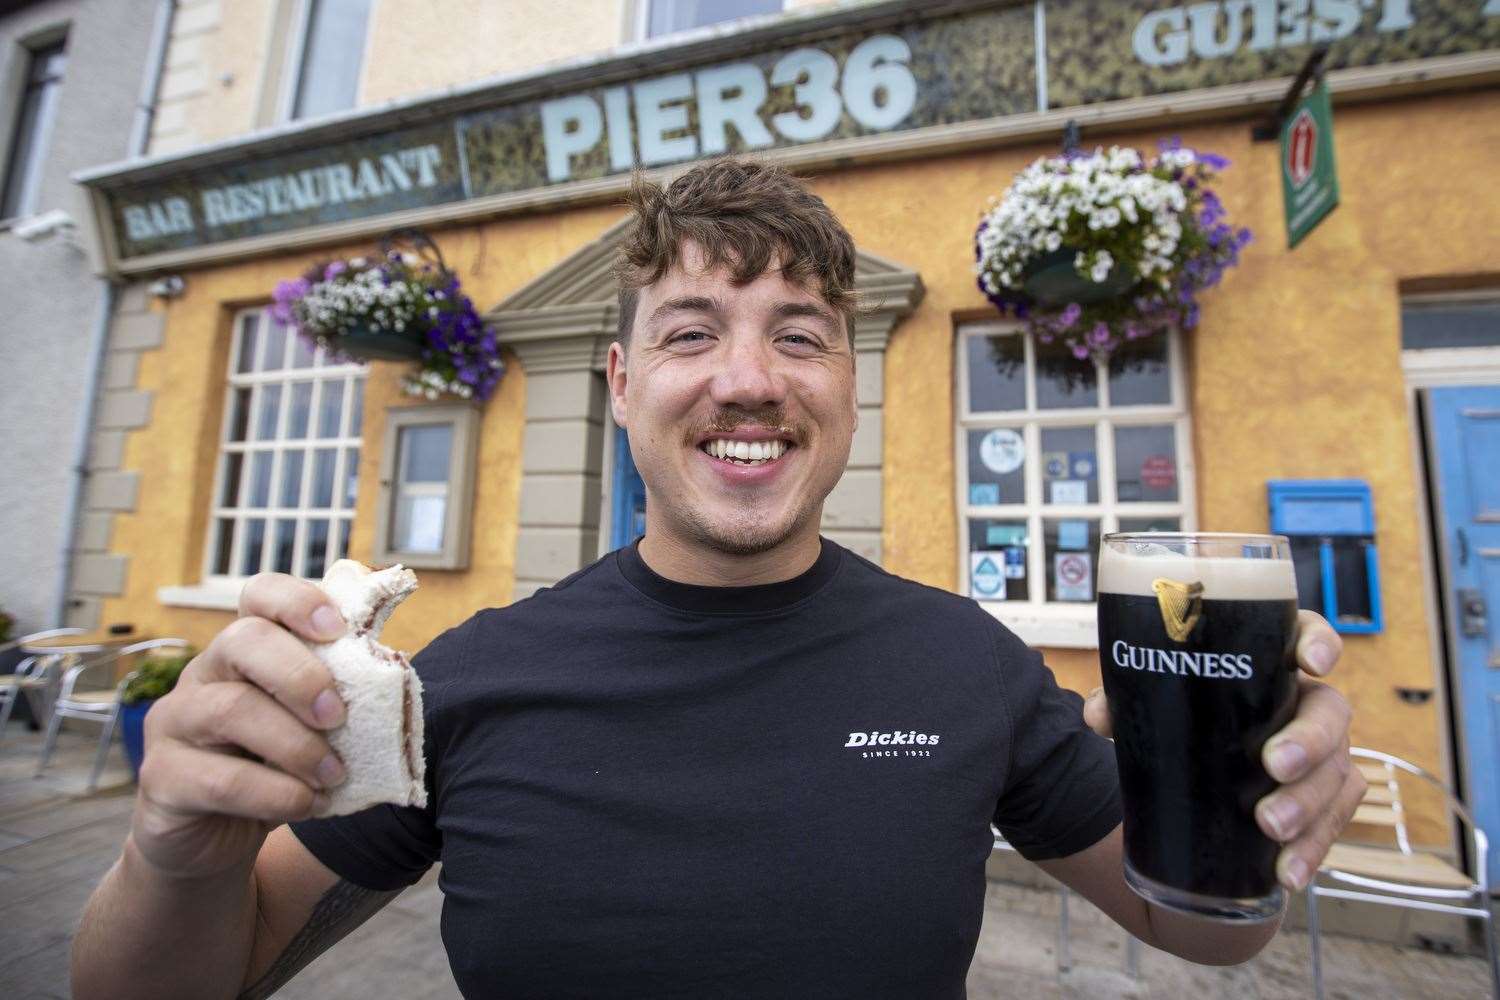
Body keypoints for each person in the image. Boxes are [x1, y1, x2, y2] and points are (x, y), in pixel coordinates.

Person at [72, 158, 1362, 999]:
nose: (748, 380)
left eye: (799, 336)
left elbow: (1206, 928)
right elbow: (192, 974)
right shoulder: (461, 681)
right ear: (623, 387)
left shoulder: (968, 665)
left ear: (846, 394)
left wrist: (1260, 809)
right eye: (691, 333)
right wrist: (178, 856)